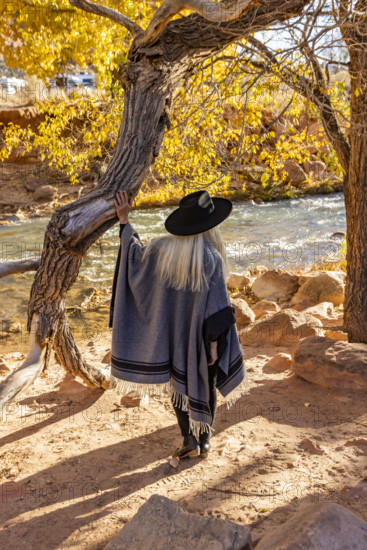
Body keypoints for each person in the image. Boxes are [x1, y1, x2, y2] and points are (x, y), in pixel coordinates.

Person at [109, 189, 249, 460]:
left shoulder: (161, 249)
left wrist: (124, 221)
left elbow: (134, 259)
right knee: (205, 384)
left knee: (177, 386)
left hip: (170, 337)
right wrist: (213, 347)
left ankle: (188, 440)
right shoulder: (212, 259)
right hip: (200, 340)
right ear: (210, 225)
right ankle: (205, 441)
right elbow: (218, 311)